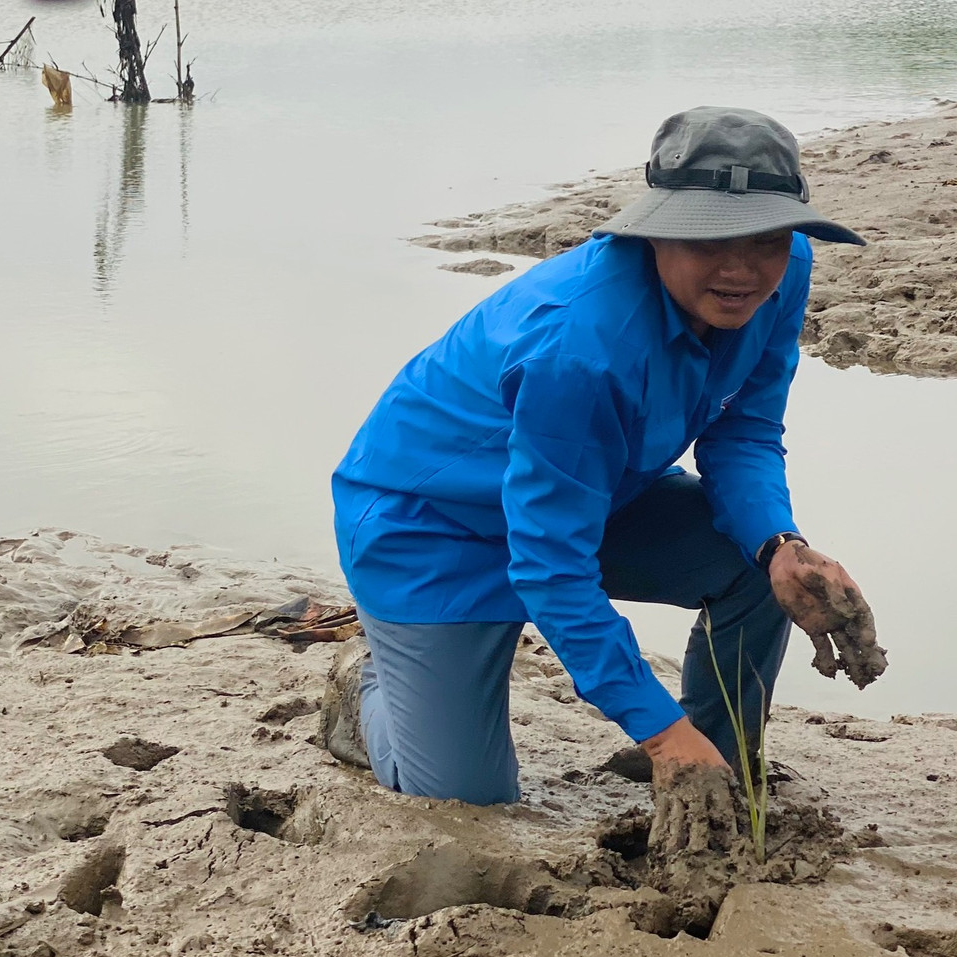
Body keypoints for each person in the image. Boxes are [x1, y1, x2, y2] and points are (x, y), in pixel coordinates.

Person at [322, 105, 886, 817]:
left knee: (755, 566)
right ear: (660, 229)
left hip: (593, 495)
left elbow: (743, 431)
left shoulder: (783, 272)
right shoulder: (579, 350)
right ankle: (368, 692)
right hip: (431, 528)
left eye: (766, 238)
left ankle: (716, 776)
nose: (741, 269)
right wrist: (659, 732)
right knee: (466, 798)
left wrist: (779, 543)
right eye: (714, 239)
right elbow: (551, 567)